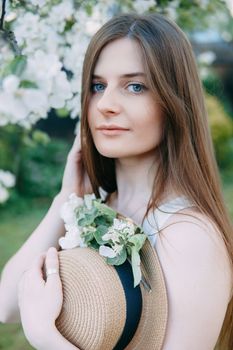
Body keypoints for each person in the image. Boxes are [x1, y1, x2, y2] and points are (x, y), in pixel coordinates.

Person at [0, 12, 233, 350]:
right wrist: (66, 198)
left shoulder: (189, 238)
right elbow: (7, 305)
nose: (106, 105)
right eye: (98, 86)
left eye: (135, 86)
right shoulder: (99, 207)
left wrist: (48, 338)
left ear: (174, 103)